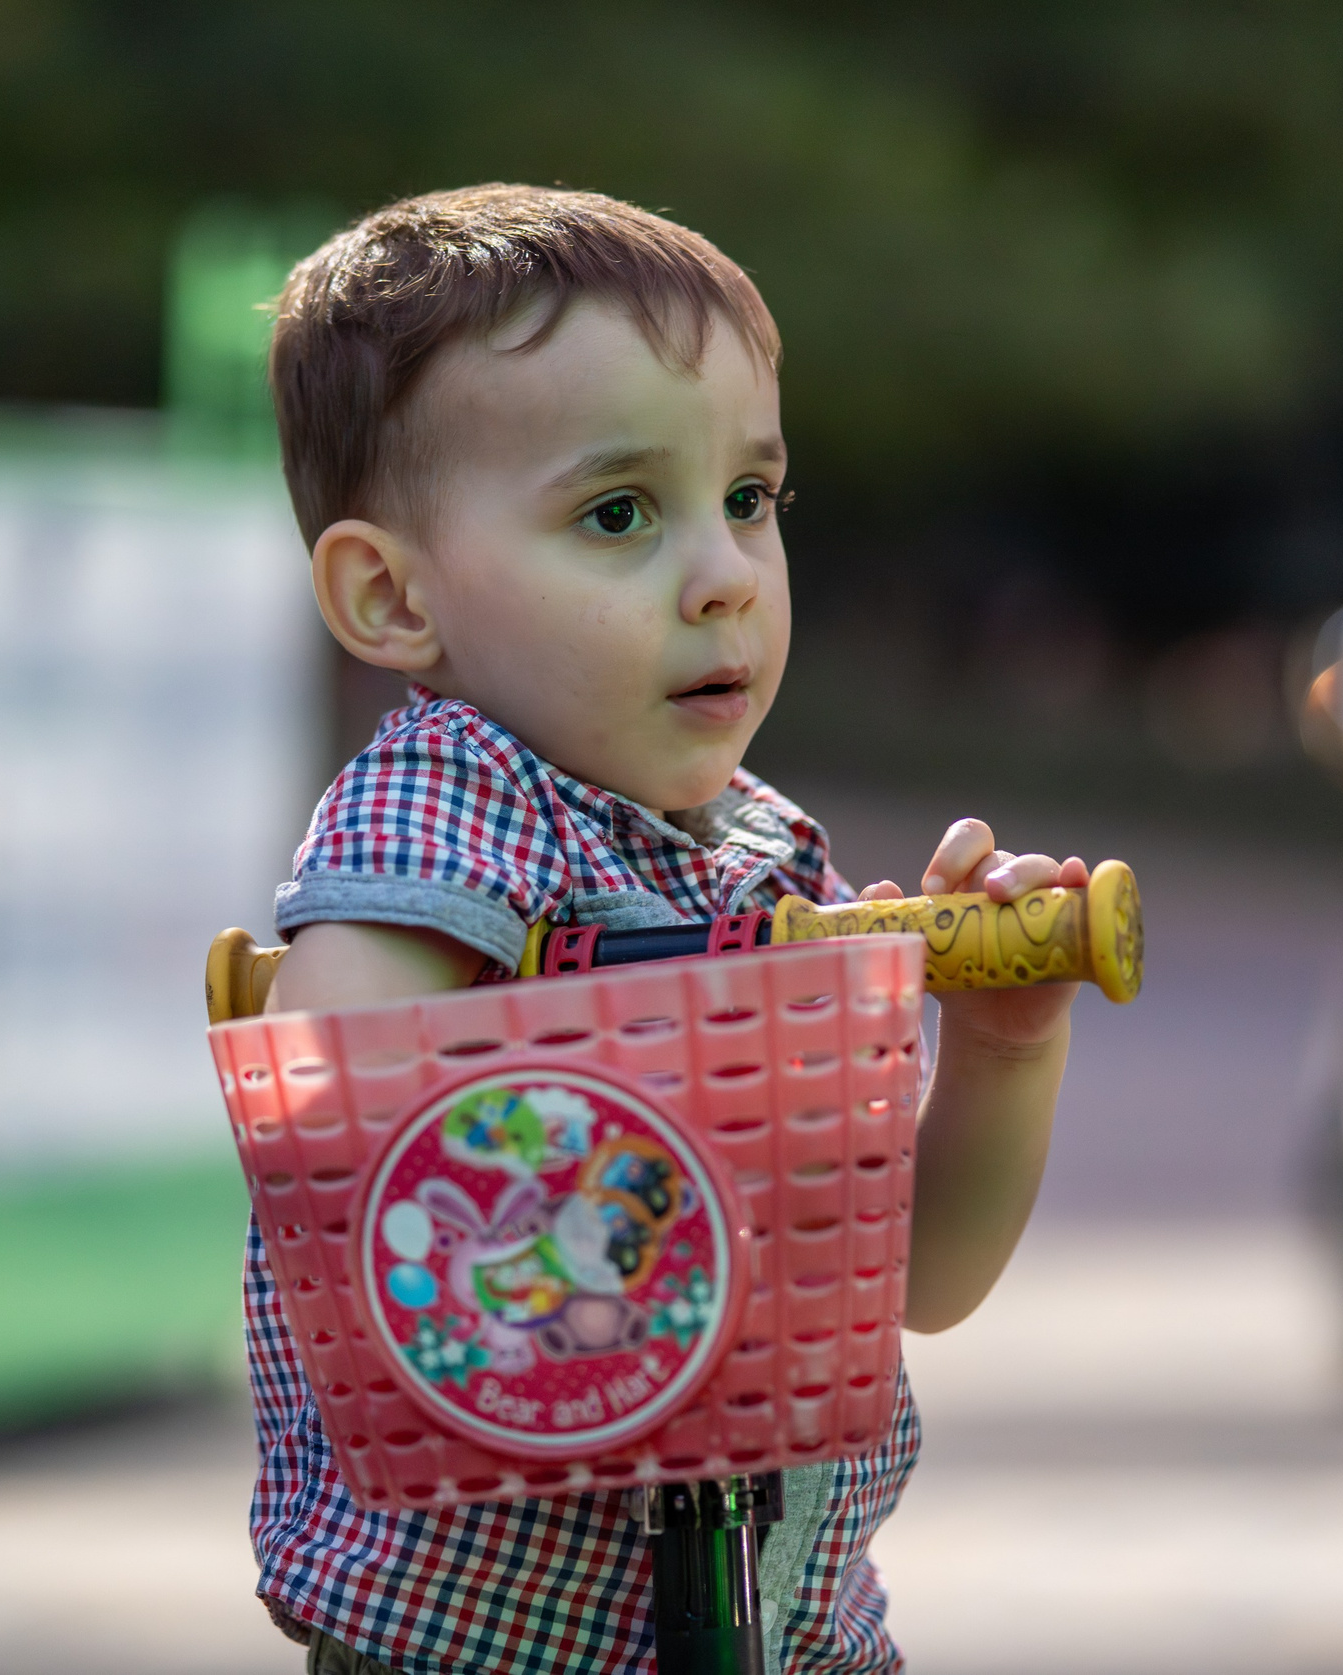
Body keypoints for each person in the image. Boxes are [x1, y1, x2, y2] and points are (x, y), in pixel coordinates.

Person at [249, 183, 1089, 1675]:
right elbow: (339, 1123)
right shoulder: (454, 804)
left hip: (782, 1625)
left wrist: (1004, 1047)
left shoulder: (766, 857)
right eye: (619, 514)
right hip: (487, 1647)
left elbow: (919, 1283)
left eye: (751, 501)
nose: (722, 576)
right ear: (393, 594)